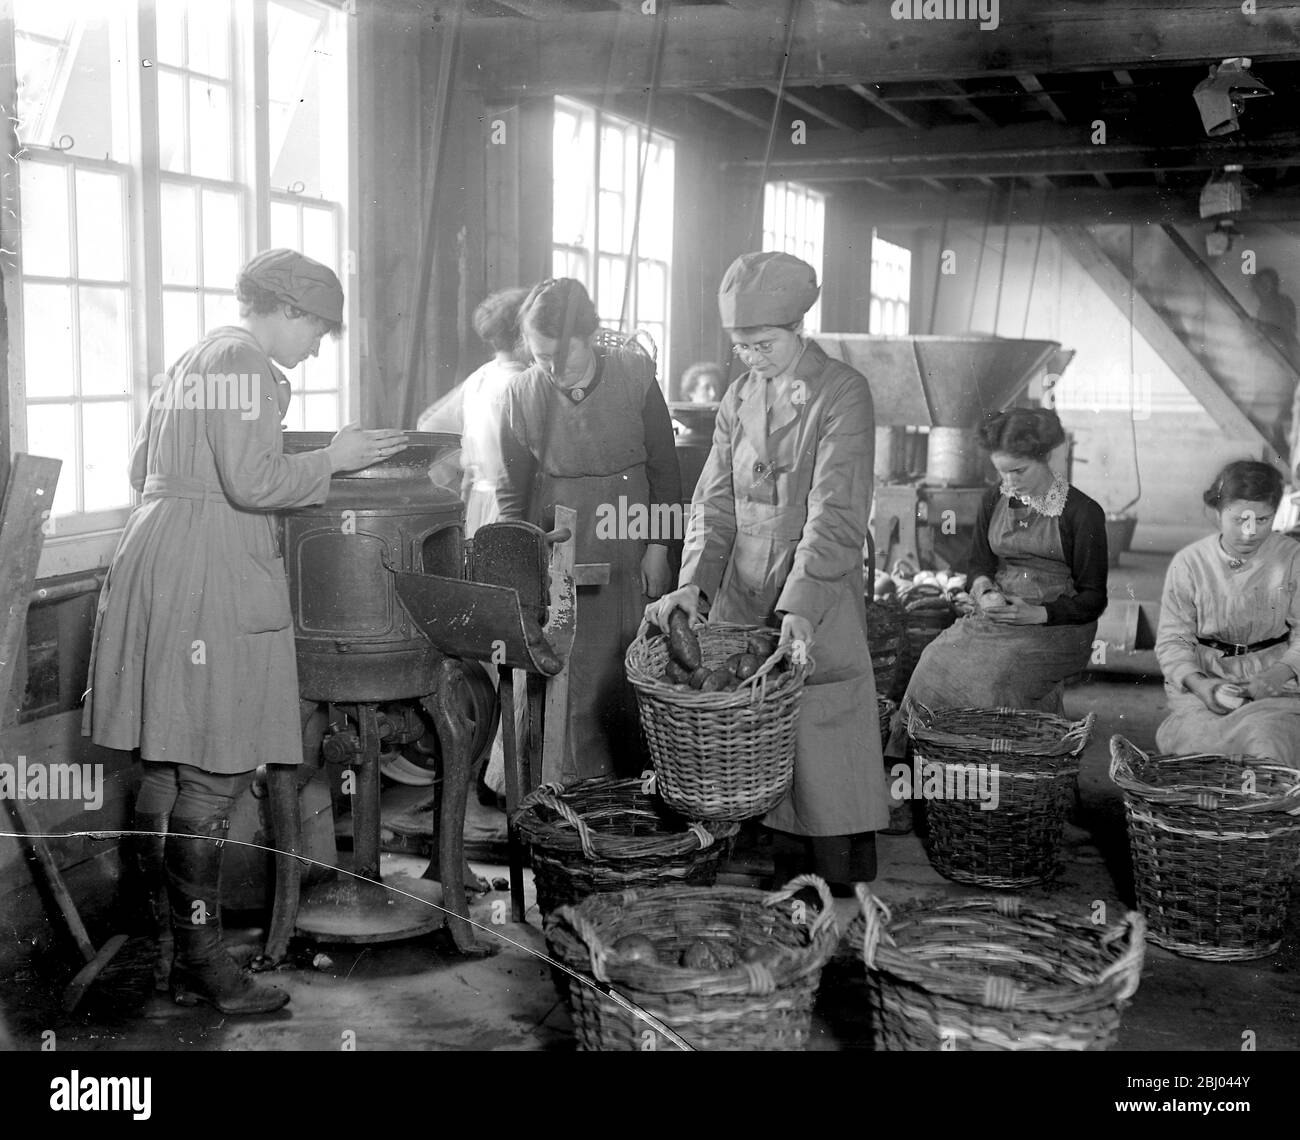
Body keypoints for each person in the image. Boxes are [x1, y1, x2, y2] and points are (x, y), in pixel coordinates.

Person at [85, 249, 408, 1014]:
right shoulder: (246, 360)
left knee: (168, 763)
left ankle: (166, 952)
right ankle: (206, 966)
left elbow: (144, 464)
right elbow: (254, 484)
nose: (316, 346)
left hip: (157, 552)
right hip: (210, 571)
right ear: (286, 311)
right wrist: (334, 458)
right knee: (215, 770)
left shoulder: (194, 357)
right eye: (317, 330)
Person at [646, 251, 889, 893]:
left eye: (763, 344)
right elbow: (714, 501)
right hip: (739, 590)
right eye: (741, 347)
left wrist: (801, 605)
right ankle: (764, 896)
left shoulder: (843, 392)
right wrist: (694, 583)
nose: (751, 358)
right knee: (743, 740)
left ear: (797, 327)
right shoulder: (738, 396)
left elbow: (836, 514)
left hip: (815, 582)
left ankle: (833, 893)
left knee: (818, 742)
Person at [884, 408, 1109, 826]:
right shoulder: (995, 498)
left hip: (1058, 625)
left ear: (1046, 459)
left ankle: (992, 793)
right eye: (1001, 472)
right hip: (998, 615)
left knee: (995, 677)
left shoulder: (1082, 512)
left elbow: (1094, 598)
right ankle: (922, 783)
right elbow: (978, 564)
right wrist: (985, 590)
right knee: (934, 660)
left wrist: (1038, 613)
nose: (1008, 483)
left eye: (1018, 471)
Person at [496, 278, 682, 779]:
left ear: (592, 336)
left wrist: (660, 547)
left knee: (631, 665)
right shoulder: (519, 395)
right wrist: (520, 563)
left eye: (565, 358)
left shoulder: (634, 374)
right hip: (562, 542)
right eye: (541, 358)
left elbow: (666, 469)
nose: (555, 372)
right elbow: (512, 493)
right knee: (571, 670)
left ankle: (638, 787)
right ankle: (576, 788)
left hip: (633, 535)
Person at [1154, 459, 1300, 765]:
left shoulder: (1292, 558)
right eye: (1238, 519)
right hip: (1205, 681)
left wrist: (1278, 673)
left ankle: (1263, 811)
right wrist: (1201, 684)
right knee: (1197, 751)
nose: (1250, 532)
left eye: (1263, 520)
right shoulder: (1190, 563)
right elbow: (1172, 641)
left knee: (1267, 745)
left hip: (1274, 684)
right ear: (1216, 512)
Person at [416, 287, 530, 537]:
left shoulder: (480, 377)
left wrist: (472, 460)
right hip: (513, 505)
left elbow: (429, 425)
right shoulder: (523, 383)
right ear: (525, 333)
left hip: (478, 499)